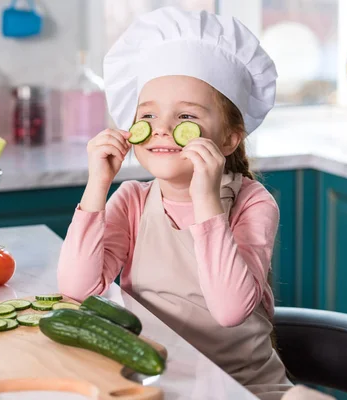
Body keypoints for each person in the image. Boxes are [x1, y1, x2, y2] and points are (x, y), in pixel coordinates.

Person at [57, 7, 293, 399]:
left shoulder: (253, 202)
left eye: (185, 116)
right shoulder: (132, 200)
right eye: (147, 114)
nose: (162, 128)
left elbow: (230, 310)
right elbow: (77, 290)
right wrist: (97, 185)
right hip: (158, 381)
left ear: (230, 139)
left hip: (246, 387)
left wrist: (205, 199)